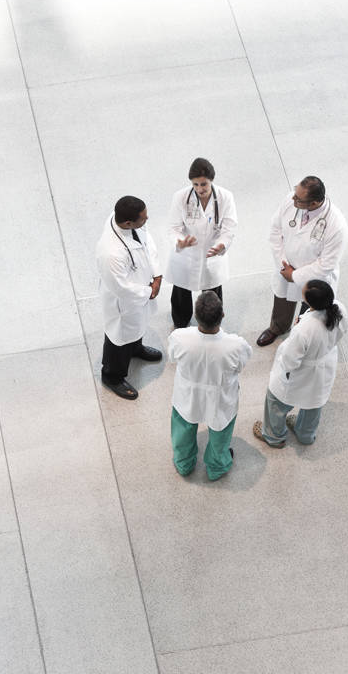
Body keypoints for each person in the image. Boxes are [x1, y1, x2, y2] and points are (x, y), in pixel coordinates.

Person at [167, 291, 252, 480]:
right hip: (220, 398)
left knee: (183, 429)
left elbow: (172, 357)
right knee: (220, 433)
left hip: (187, 396)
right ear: (222, 315)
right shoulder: (236, 345)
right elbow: (240, 366)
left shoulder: (179, 337)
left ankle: (184, 463)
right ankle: (217, 467)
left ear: (196, 317)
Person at [253, 280, 348, 448]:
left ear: (309, 302)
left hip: (302, 370)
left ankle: (274, 436)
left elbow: (290, 361)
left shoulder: (304, 329)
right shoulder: (339, 309)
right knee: (314, 402)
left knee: (276, 400)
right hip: (325, 364)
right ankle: (305, 434)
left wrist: (282, 369)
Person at [256, 176, 348, 347]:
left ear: (313, 203)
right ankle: (278, 327)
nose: (292, 198)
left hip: (314, 278)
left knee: (309, 314)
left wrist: (295, 275)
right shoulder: (291, 200)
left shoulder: (337, 225)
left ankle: (301, 339)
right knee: (282, 300)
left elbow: (327, 264)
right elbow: (275, 230)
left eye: (298, 199)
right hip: (285, 268)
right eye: (295, 191)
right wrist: (283, 264)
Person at [97, 195, 164, 400]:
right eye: (143, 218)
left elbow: (147, 242)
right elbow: (121, 288)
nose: (147, 219)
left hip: (142, 288)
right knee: (119, 337)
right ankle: (112, 376)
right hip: (124, 302)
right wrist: (149, 291)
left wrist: (157, 274)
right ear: (128, 223)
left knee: (137, 326)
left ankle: (135, 347)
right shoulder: (111, 253)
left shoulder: (129, 223)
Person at [166, 157, 238, 328]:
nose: (200, 189)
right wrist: (180, 242)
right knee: (181, 293)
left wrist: (222, 244)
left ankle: (212, 324)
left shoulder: (225, 197)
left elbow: (229, 227)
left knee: (212, 293)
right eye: (195, 185)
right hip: (186, 254)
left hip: (211, 253)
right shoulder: (180, 197)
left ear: (211, 180)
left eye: (204, 184)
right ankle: (180, 325)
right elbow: (173, 227)